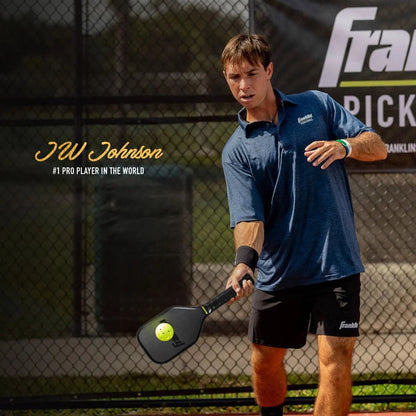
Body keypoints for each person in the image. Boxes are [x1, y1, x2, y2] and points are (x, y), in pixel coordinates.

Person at [220, 33, 387, 416]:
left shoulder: (317, 105)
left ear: (269, 71)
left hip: (336, 264)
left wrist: (344, 146)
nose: (243, 85)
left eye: (251, 73)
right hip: (279, 273)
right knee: (264, 361)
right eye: (233, 77)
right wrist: (244, 262)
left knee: (336, 361)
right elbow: (249, 217)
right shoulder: (238, 150)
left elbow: (377, 146)